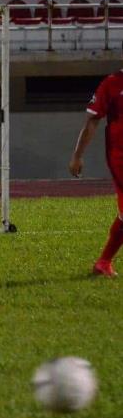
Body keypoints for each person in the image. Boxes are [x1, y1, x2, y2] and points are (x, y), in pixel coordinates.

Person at [70, 71, 123, 278]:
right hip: (120, 157)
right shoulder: (112, 84)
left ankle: (103, 262)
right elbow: (92, 121)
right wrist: (77, 156)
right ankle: (103, 262)